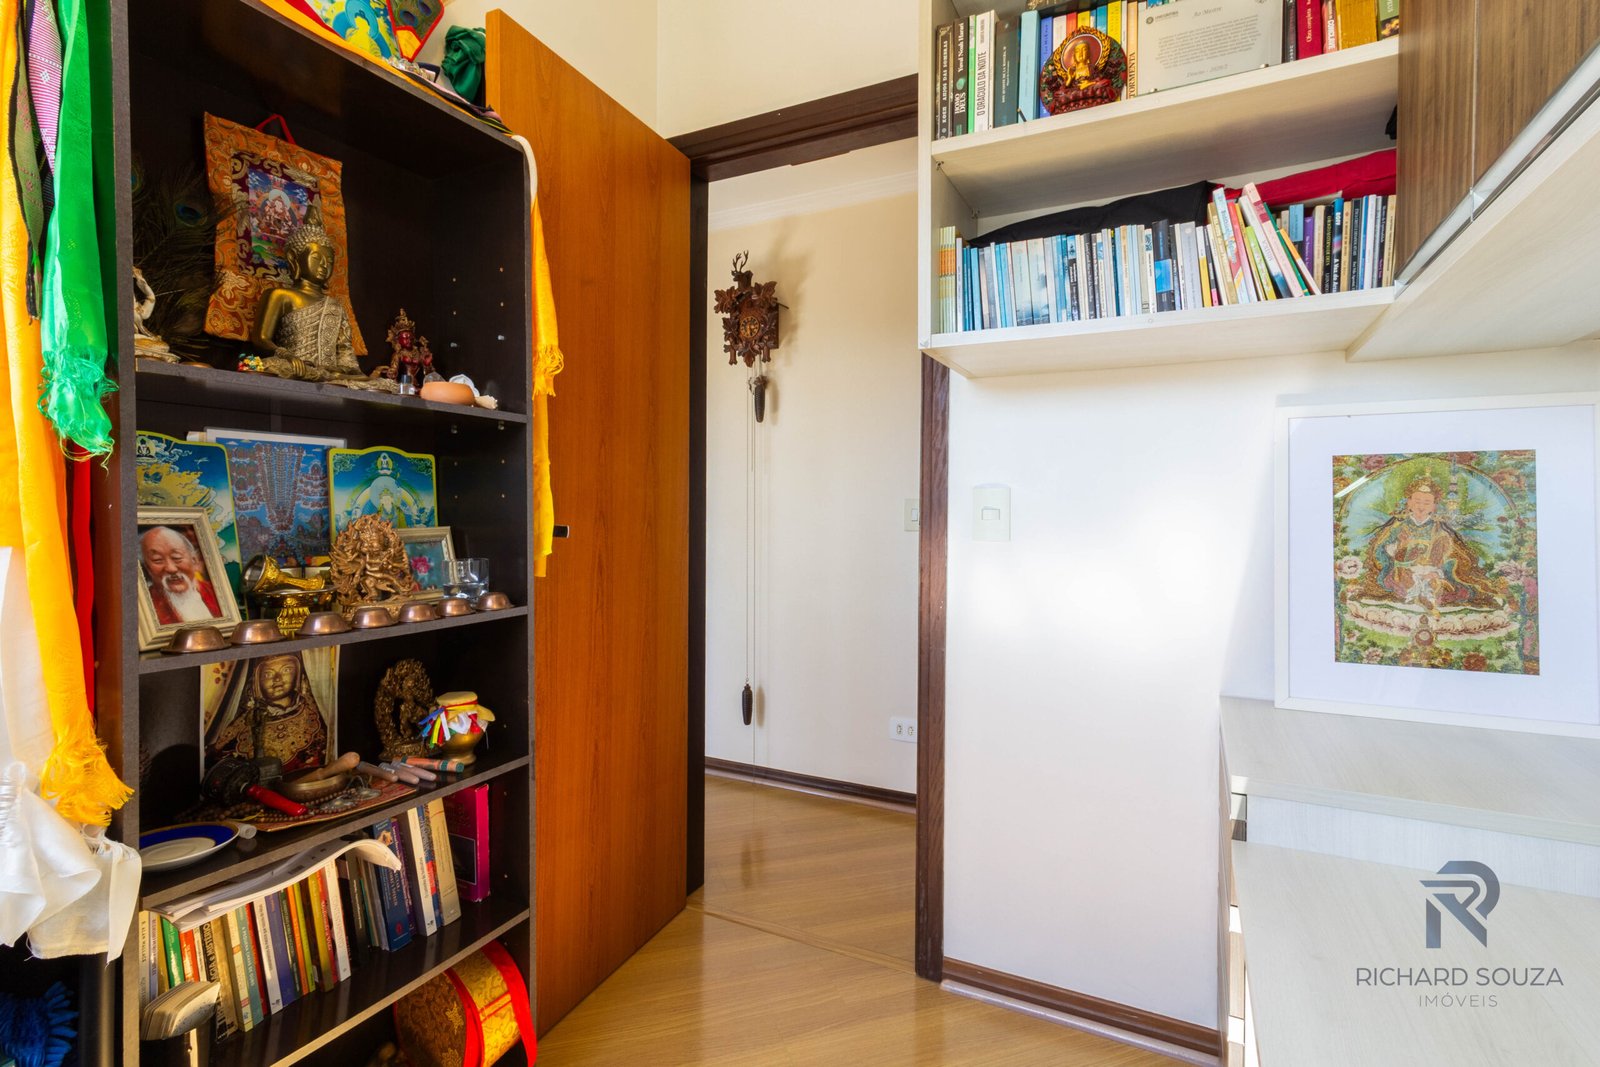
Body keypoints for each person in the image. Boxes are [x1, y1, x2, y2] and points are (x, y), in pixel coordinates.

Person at [1355, 479, 1502, 613]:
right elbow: (1381, 550)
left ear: (1434, 506)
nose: (1421, 507)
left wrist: (1437, 570)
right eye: (1417, 501)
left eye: (1426, 503)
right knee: (1405, 583)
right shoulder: (1398, 527)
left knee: (1440, 586)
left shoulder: (1440, 530)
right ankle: (1419, 598)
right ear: (1409, 503)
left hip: (1433, 570)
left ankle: (1427, 597)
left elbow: (1452, 555)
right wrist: (1396, 549)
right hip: (1404, 570)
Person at [207, 653, 329, 773]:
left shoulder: (317, 720)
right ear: (257, 682)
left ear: (298, 675)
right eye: (268, 674)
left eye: (286, 670)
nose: (277, 679)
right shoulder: (244, 724)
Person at [141, 526, 222, 623]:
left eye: (176, 557)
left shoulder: (217, 592)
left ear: (194, 561)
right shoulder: (144, 607)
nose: (171, 568)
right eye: (157, 560)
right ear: (148, 568)